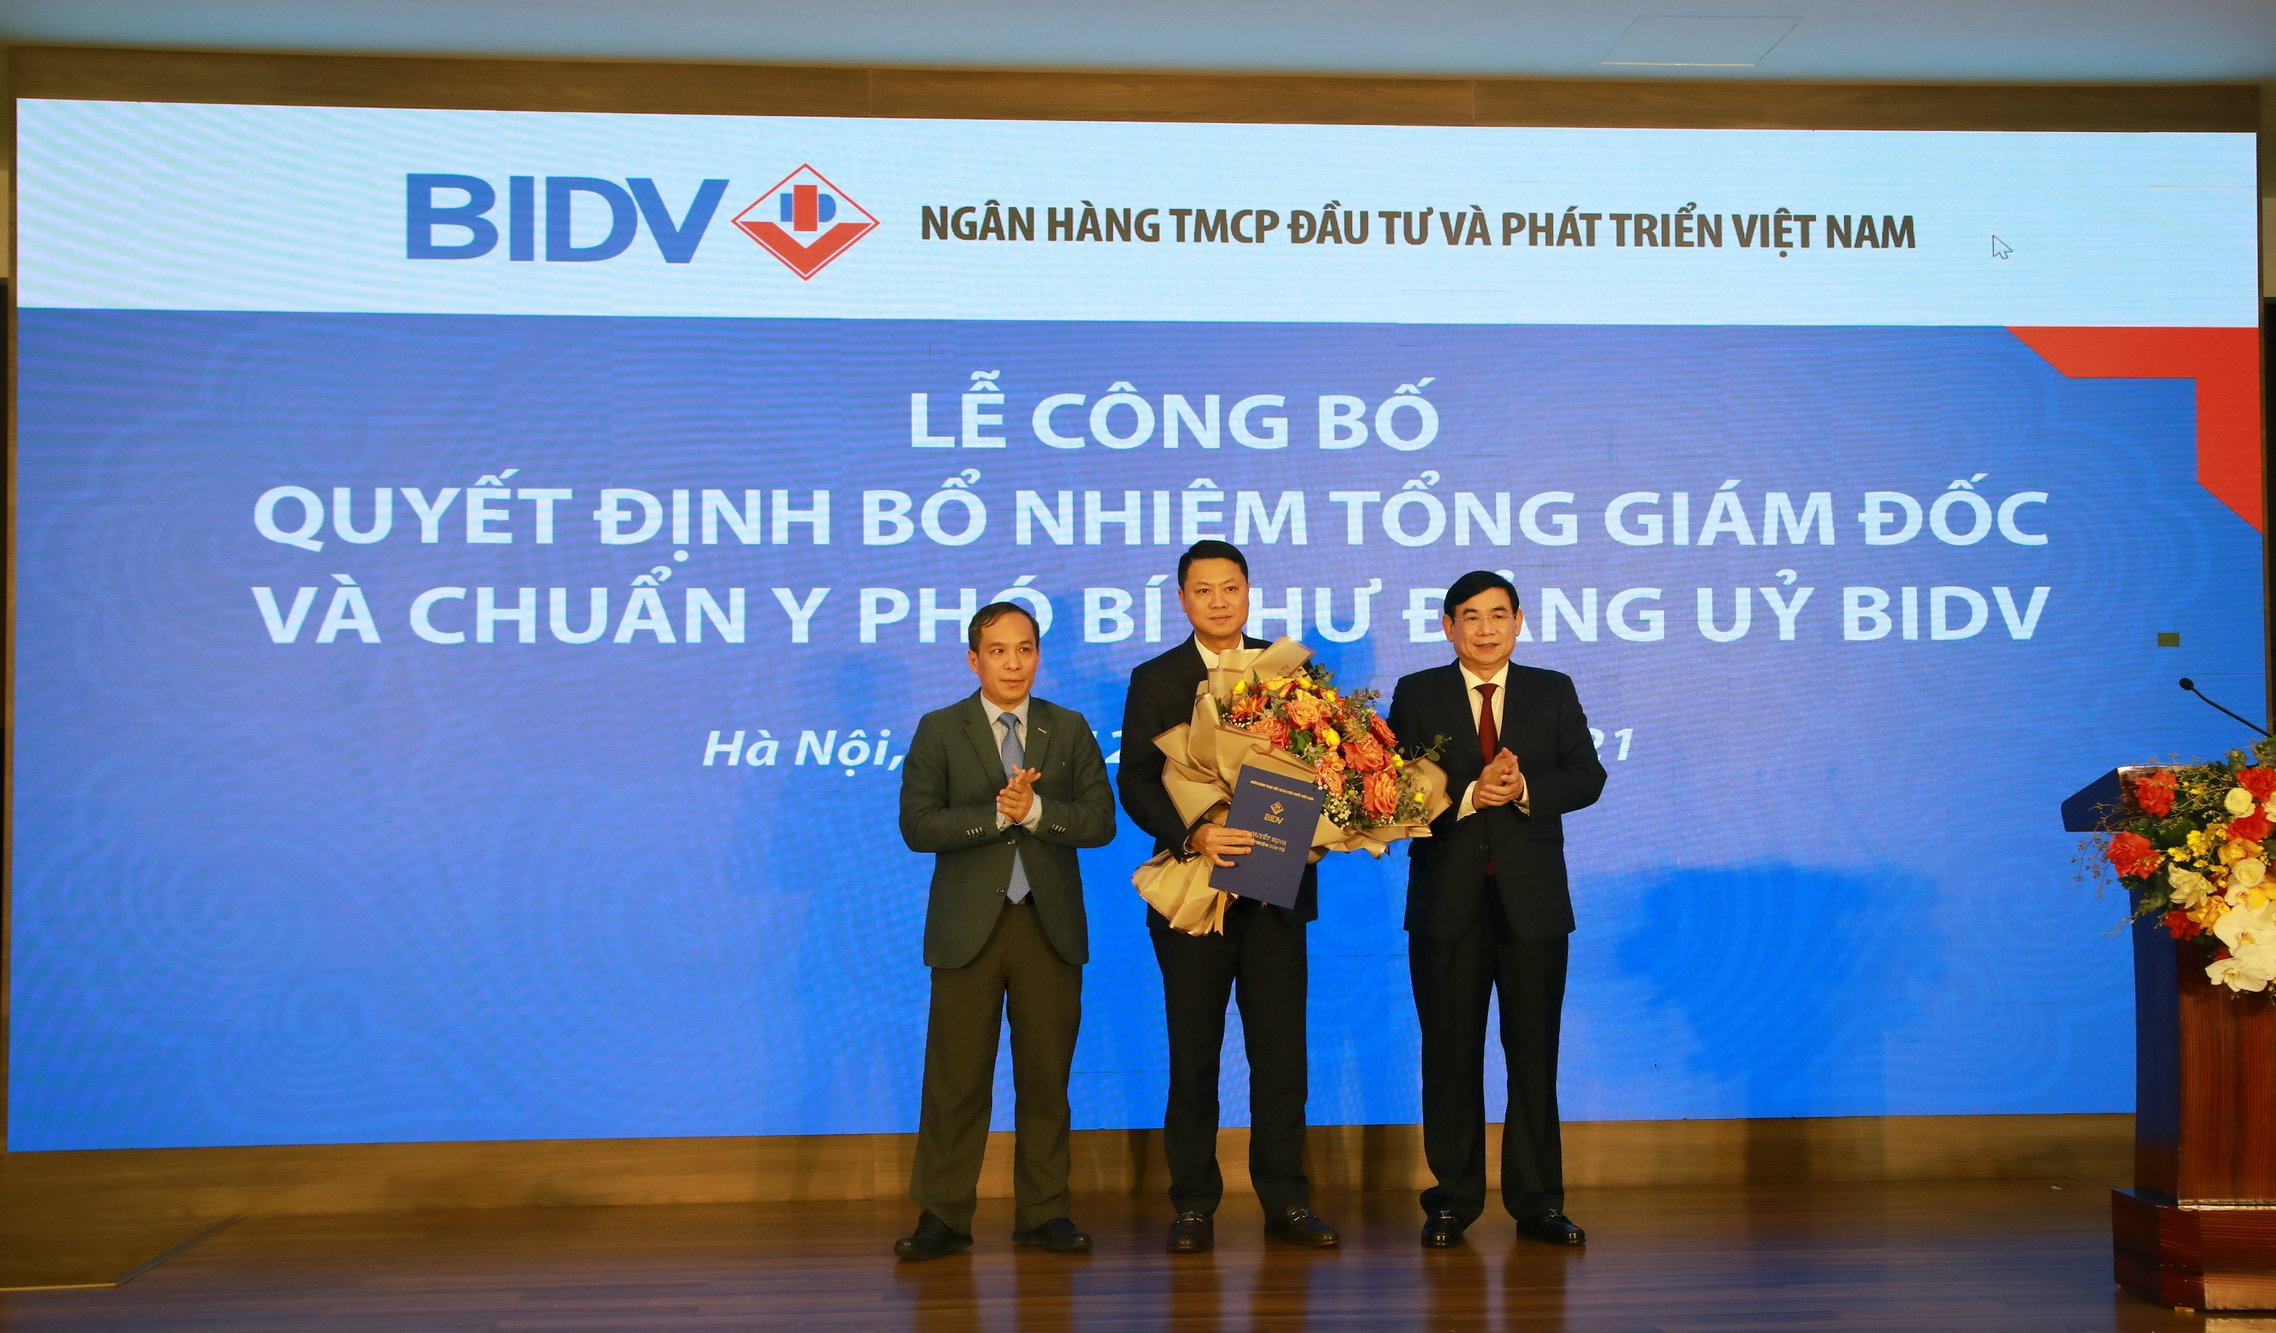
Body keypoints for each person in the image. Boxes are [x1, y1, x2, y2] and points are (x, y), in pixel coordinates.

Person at [1116, 540, 1340, 1254]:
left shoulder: (1288, 671)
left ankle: (1287, 1201)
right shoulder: (1155, 677)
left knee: (1282, 1057)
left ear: (1248, 592)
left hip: (1274, 893)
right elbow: (1136, 782)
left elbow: (1323, 765)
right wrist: (1198, 830)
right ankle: (1193, 1205)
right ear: (1182, 599)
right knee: (1194, 1057)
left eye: (1230, 587)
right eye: (1203, 589)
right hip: (1192, 890)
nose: (1218, 601)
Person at [1387, 570, 1606, 1250]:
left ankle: (1539, 1203)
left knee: (1534, 1057)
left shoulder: (1552, 689)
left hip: (1532, 907)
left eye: (1499, 615)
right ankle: (1451, 1202)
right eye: (1471, 617)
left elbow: (1588, 775)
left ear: (1519, 621)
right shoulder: (1418, 693)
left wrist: (1522, 788)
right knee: (1449, 1056)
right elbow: (1391, 787)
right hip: (1446, 905)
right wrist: (1467, 794)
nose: (1486, 629)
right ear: (1448, 626)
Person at [893, 601, 1116, 1261]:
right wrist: (998, 815)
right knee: (956, 1081)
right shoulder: (940, 728)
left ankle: (1044, 1212)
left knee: (1047, 1080)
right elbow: (917, 825)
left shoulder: (1067, 727)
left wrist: (1038, 809)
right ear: (974, 659)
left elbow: (1100, 821)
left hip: (1049, 927)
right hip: (968, 931)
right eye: (997, 651)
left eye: (1024, 649)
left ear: (1038, 655)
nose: (1013, 663)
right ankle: (942, 1216)